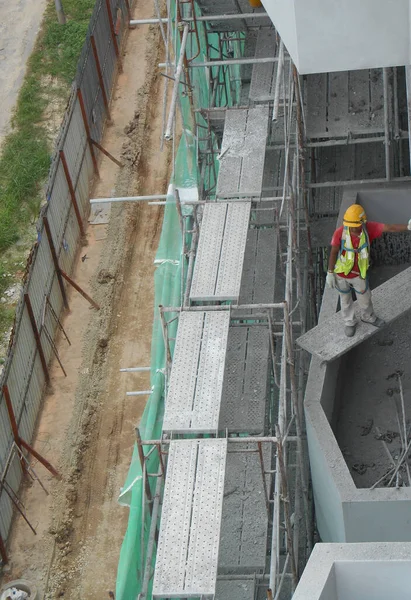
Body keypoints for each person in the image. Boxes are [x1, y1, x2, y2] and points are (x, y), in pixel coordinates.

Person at [326, 204, 411, 337]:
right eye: (350, 225)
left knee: (365, 299)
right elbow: (333, 252)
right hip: (341, 274)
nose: (352, 228)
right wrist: (330, 273)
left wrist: (407, 227)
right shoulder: (340, 233)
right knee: (345, 300)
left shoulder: (368, 229)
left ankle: (368, 317)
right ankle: (349, 322)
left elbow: (390, 228)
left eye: (354, 225)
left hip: (359, 274)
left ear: (362, 222)